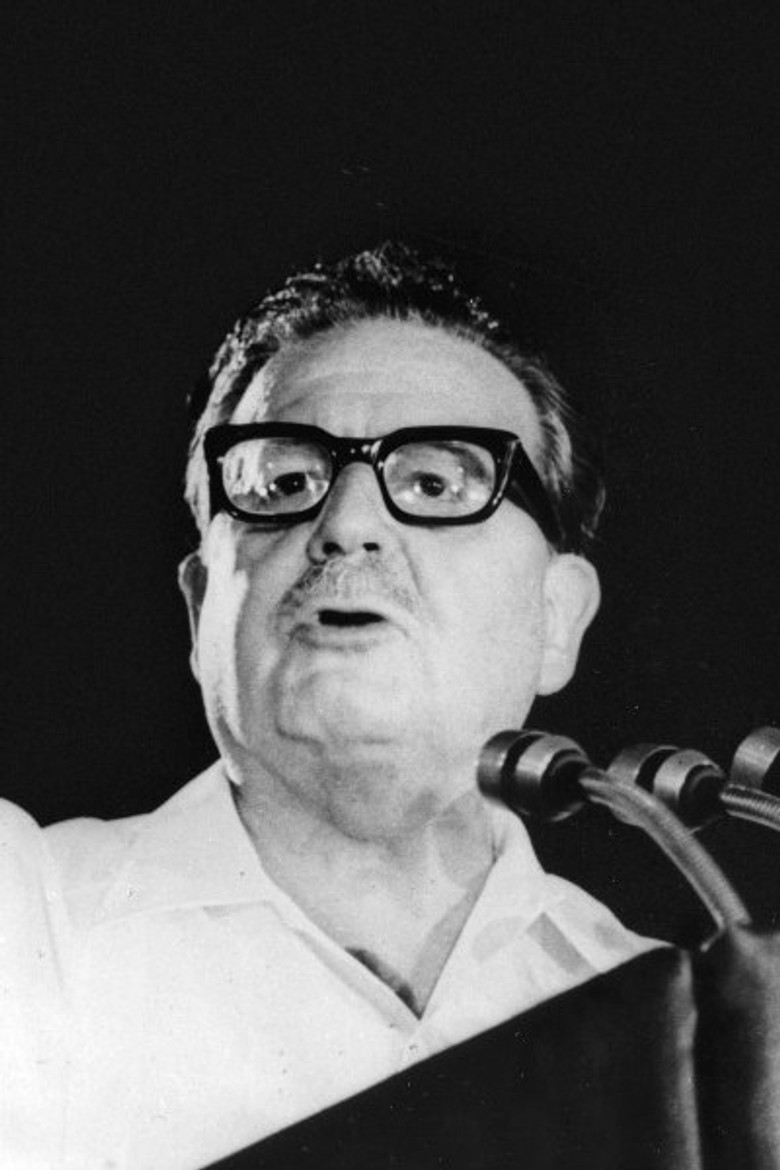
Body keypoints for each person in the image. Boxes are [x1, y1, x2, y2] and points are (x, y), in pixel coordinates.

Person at [0, 242, 655, 1170]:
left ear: (556, 618)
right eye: (284, 484)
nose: (346, 524)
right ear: (201, 607)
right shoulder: (27, 925)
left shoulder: (675, 1028)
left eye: (436, 483)